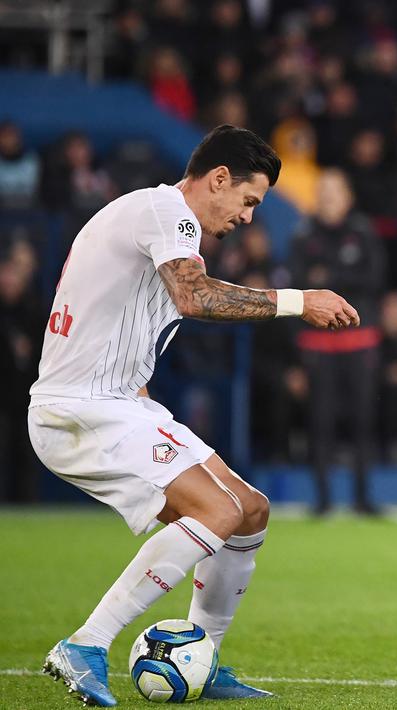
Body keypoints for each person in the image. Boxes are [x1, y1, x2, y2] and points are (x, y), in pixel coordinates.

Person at [29, 125, 360, 707]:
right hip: (81, 410)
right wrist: (296, 301)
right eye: (249, 201)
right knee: (217, 509)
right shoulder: (165, 210)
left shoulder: (158, 221)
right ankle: (86, 643)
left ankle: (201, 656)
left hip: (117, 403)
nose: (250, 218)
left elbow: (150, 306)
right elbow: (196, 297)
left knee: (250, 510)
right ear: (219, 179)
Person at [290, 169, 385, 515]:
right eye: (323, 191)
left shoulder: (362, 232)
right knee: (320, 422)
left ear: (348, 196)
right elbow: (299, 285)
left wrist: (326, 276)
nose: (328, 197)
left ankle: (363, 499)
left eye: (334, 190)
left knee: (363, 420)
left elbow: (374, 278)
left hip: (359, 341)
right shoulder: (303, 234)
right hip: (318, 345)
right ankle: (323, 502)